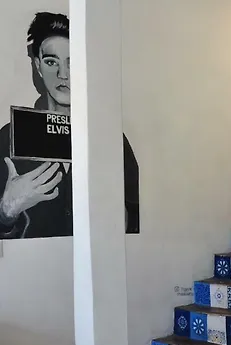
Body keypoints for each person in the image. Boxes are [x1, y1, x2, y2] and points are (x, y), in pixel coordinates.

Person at [0, 12, 139, 239]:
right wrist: (6, 211)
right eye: (51, 62)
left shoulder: (109, 137)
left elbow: (135, 221)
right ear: (38, 65)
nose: (62, 74)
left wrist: (115, 211)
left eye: (72, 62)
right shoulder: (9, 136)